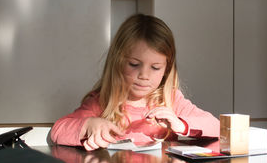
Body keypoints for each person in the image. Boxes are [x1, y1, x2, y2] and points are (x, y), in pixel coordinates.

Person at [50, 14, 220, 151]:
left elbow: (217, 127)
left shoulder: (171, 100)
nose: (144, 75)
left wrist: (180, 124)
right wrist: (89, 124)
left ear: (166, 69)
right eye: (134, 64)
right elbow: (57, 131)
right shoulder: (103, 101)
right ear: (118, 62)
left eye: (155, 67)